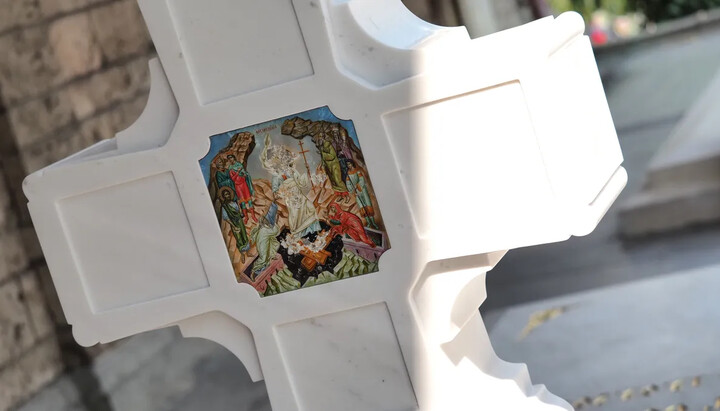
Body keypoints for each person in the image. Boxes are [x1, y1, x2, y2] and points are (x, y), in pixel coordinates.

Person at [260, 135, 321, 237]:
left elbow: (300, 183)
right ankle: (300, 234)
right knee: (296, 216)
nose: (281, 163)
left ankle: (313, 232)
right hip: (291, 200)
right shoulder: (276, 177)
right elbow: (275, 191)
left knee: (310, 209)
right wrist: (282, 193)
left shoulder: (291, 171)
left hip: (299, 195)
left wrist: (307, 175)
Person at [220, 187, 250, 263]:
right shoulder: (225, 207)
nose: (228, 196)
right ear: (224, 197)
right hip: (234, 223)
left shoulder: (235, 202)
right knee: (239, 238)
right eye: (226, 195)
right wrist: (234, 226)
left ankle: (248, 252)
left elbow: (239, 213)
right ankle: (242, 255)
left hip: (240, 221)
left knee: (244, 235)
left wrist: (240, 211)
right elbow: (226, 218)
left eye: (228, 194)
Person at [345, 160, 379, 229]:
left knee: (367, 205)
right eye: (347, 165)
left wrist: (357, 186)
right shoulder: (348, 174)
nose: (349, 166)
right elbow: (348, 183)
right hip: (356, 193)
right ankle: (369, 223)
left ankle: (373, 223)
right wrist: (352, 189)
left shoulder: (358, 171)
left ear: (352, 164)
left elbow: (361, 180)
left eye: (350, 164)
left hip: (362, 191)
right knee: (362, 207)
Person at [250, 203, 281, 276]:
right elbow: (276, 232)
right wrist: (276, 221)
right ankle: (253, 271)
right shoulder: (265, 229)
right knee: (263, 258)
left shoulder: (263, 227)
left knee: (270, 251)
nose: (266, 221)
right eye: (265, 220)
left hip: (263, 243)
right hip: (262, 245)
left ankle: (264, 264)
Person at [317, 133, 349, 201]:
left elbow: (332, 156)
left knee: (338, 180)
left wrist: (322, 153)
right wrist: (323, 165)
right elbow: (323, 158)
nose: (320, 139)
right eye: (319, 137)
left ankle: (346, 196)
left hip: (334, 165)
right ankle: (340, 196)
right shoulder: (322, 146)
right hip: (328, 167)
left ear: (323, 138)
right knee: (333, 182)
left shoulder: (328, 145)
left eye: (321, 137)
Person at [226, 155, 257, 222]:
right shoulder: (230, 168)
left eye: (231, 158)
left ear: (234, 158)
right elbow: (233, 178)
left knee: (249, 201)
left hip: (244, 184)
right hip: (238, 186)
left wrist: (244, 174)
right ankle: (246, 217)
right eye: (229, 159)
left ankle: (253, 216)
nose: (230, 160)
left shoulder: (239, 164)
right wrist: (237, 172)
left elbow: (244, 173)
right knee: (242, 202)